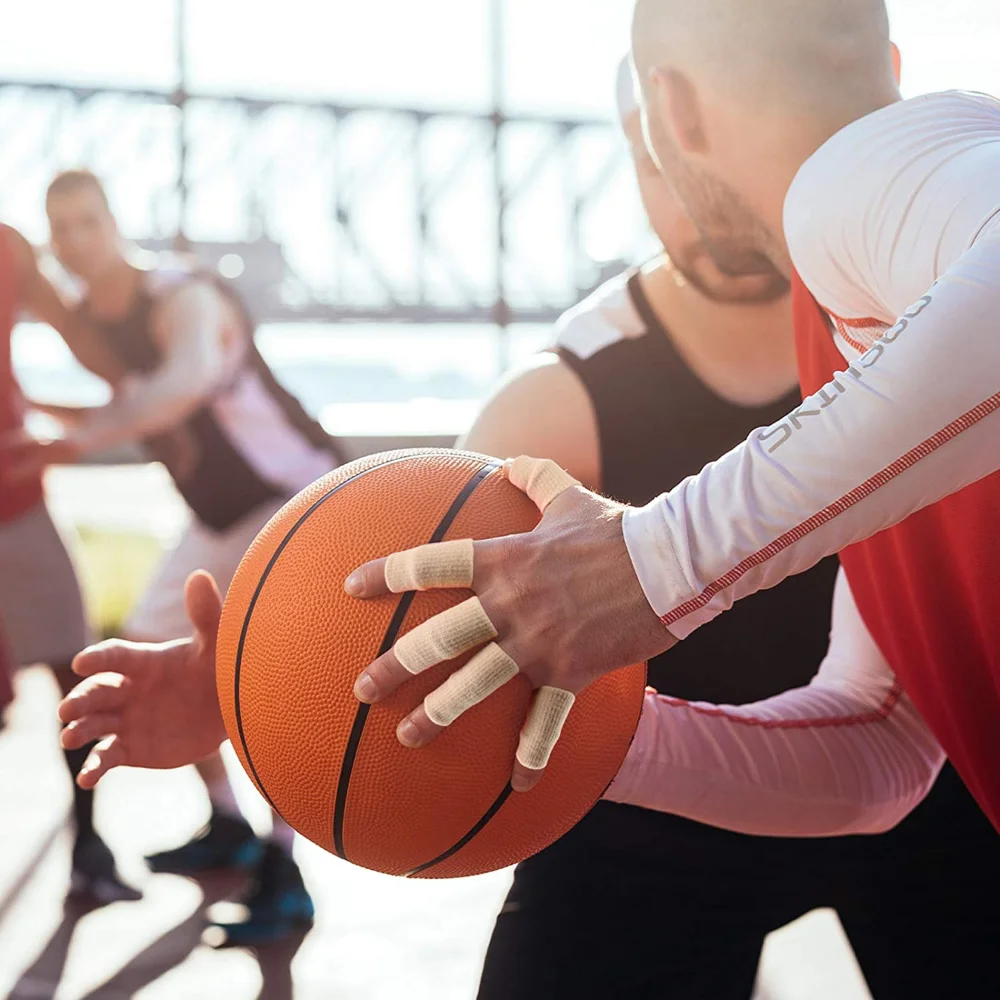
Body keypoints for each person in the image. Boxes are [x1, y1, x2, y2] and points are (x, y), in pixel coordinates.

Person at [57, 0, 998, 847]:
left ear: (673, 111)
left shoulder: (869, 174)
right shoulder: (870, 327)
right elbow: (874, 747)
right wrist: (533, 728)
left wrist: (652, 563)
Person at [473, 61, 1000, 1000]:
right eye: (650, 162)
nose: (688, 189)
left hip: (949, 797)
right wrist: (245, 681)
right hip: (680, 820)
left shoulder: (921, 222)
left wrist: (658, 558)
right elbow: (874, 739)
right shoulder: (560, 398)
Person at [8, 169, 339, 944]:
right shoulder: (97, 320)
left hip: (295, 501)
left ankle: (284, 870)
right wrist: (37, 415)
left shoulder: (182, 294)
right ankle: (226, 824)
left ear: (116, 220)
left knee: (283, 689)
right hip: (218, 519)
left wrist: (72, 441)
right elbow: (133, 402)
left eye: (89, 221)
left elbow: (184, 382)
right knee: (152, 655)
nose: (77, 241)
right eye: (61, 229)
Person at [0, 221, 140, 903]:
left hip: (15, 497)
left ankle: (89, 849)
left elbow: (99, 354)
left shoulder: (7, 246)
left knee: (74, 670)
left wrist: (156, 393)